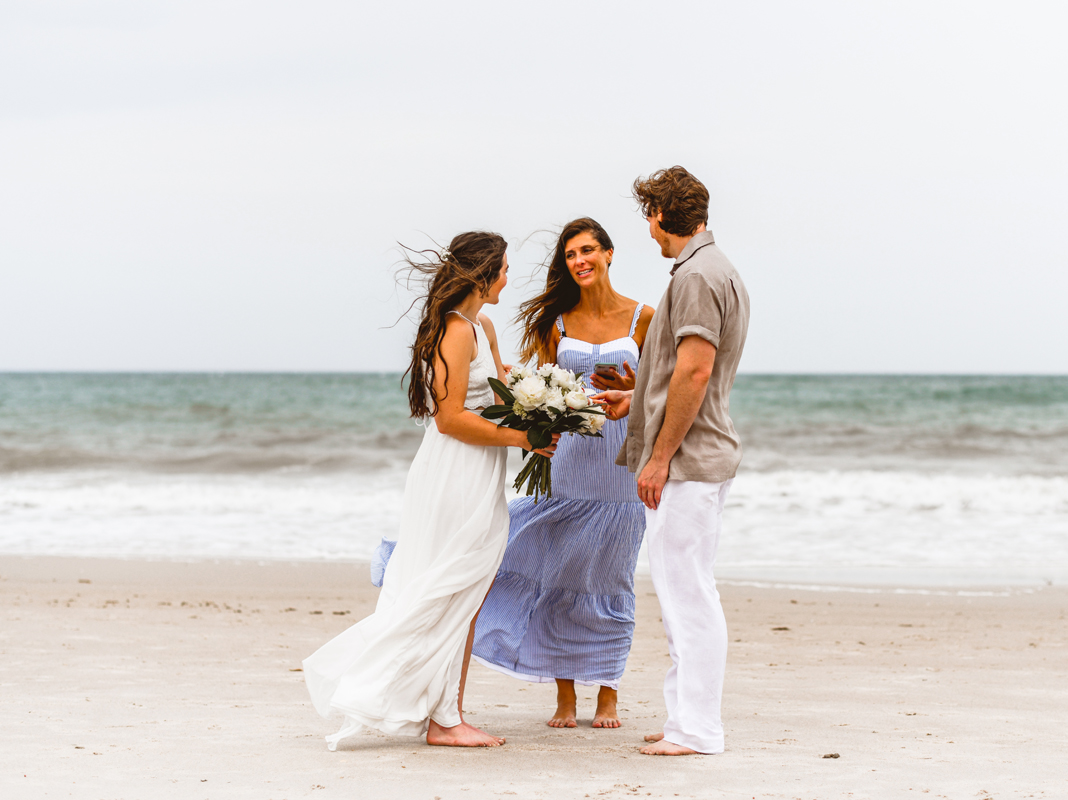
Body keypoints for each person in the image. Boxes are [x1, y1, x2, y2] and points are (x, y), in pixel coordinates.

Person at [303, 231, 558, 750]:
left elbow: (502, 392)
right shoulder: (454, 331)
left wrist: (549, 408)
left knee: (466, 587)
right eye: (505, 268)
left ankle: (443, 712)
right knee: (453, 583)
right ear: (484, 272)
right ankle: (443, 719)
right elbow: (449, 419)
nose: (509, 277)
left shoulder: (480, 326)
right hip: (454, 473)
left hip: (481, 470)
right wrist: (521, 436)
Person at [471, 217, 654, 729]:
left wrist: (634, 387)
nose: (581, 261)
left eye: (589, 250)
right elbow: (540, 385)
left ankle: (609, 692)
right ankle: (566, 696)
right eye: (572, 254)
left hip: (620, 467)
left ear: (610, 253)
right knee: (561, 577)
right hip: (569, 463)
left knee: (614, 577)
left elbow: (662, 389)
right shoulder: (558, 324)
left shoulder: (644, 318)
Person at [594, 167, 749, 756]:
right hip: (697, 455)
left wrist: (658, 457)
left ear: (659, 213)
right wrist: (635, 402)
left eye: (649, 217)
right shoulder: (711, 269)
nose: (650, 231)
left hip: (688, 463)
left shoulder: (697, 276)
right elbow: (682, 373)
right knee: (683, 592)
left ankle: (699, 729)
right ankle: (685, 718)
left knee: (688, 595)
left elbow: (696, 370)